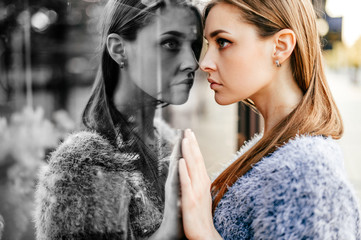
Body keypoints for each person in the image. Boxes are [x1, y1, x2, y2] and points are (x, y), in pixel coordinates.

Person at [178, 0, 361, 239]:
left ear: (281, 46)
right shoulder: (276, 151)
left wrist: (204, 233)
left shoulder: (306, 172)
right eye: (207, 44)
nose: (204, 63)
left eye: (222, 42)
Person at [34, 0, 202, 239]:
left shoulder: (168, 142)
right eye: (170, 43)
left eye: (194, 45)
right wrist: (168, 229)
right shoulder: (85, 164)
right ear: (119, 49)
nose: (192, 63)